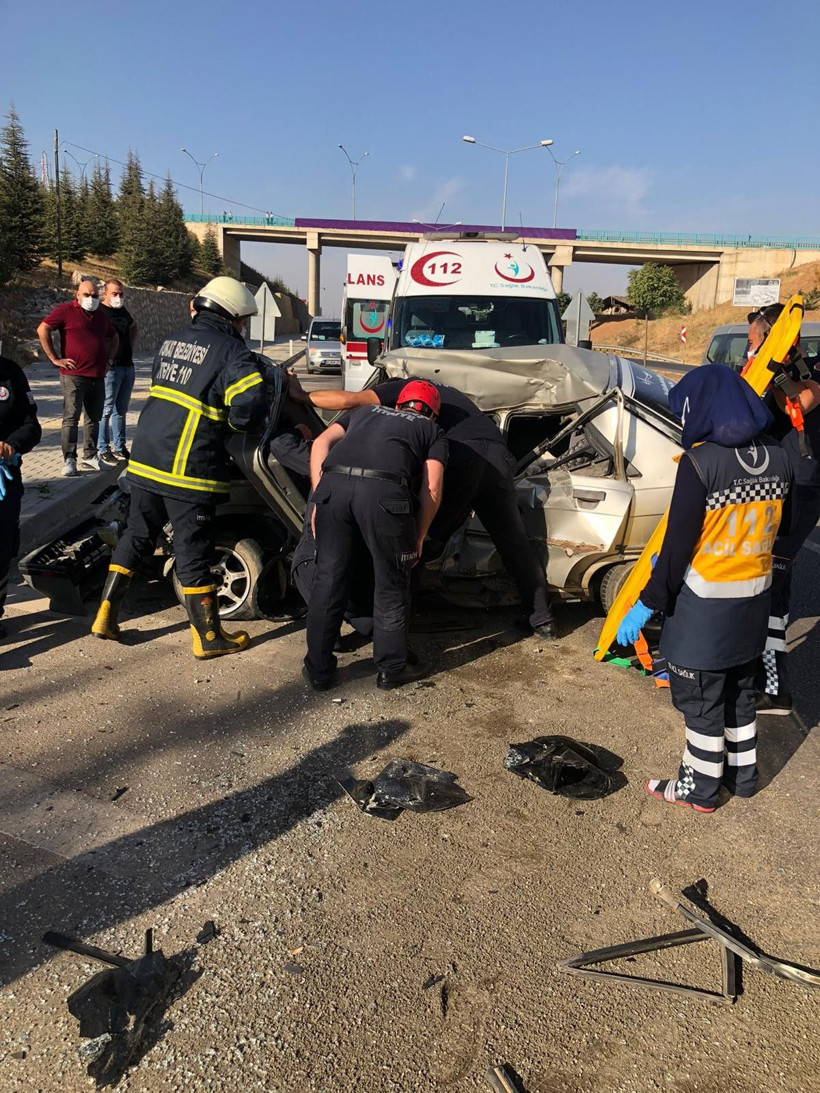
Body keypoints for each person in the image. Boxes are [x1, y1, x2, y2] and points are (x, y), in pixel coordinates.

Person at [616, 365, 792, 813]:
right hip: (754, 601)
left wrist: (647, 602)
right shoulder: (779, 457)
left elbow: (676, 551)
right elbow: (782, 533)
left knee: (701, 704)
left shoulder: (700, 464)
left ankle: (700, 789)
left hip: (704, 610)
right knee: (739, 693)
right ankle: (744, 778)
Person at [290, 375, 556, 640]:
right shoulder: (448, 393)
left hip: (462, 458)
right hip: (498, 458)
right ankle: (542, 619)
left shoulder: (402, 389)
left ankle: (391, 630)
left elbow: (349, 400)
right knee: (513, 541)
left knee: (416, 542)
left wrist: (302, 397)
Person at [91, 276, 269, 658]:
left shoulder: (173, 340)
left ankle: (105, 615)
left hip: (147, 456)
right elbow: (251, 402)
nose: (242, 328)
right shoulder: (231, 351)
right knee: (193, 549)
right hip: (188, 465)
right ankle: (208, 638)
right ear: (231, 315)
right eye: (242, 321)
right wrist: (235, 426)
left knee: (138, 535)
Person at [303, 380, 448, 691]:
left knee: (328, 579)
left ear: (398, 403)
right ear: (433, 413)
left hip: (333, 489)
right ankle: (392, 668)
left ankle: (318, 669)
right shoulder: (431, 431)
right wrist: (418, 536)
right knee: (391, 584)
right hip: (385, 495)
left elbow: (320, 443)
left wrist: (318, 497)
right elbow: (432, 487)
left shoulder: (365, 411)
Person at [746, 303, 820, 714]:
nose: (750, 351)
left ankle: (771, 687)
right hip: (780, 485)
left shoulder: (806, 373)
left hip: (799, 490)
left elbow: (803, 403)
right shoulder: (768, 372)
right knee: (777, 587)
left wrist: (774, 375)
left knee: (769, 587)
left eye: (755, 342)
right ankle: (770, 682)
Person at [37, 279, 118, 477]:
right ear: (78, 295)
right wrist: (55, 358)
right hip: (73, 376)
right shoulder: (66, 311)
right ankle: (69, 459)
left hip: (97, 375)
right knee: (71, 419)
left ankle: (90, 455)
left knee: (94, 419)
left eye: (94, 296)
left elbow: (113, 337)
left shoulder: (100, 317)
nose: (91, 299)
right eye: (87, 295)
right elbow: (43, 328)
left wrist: (109, 361)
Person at [0, 321, 42, 638]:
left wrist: (12, 444)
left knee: (3, 546)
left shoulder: (10, 373)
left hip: (3, 477)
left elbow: (31, 424)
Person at [98, 280, 138, 465]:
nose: (118, 297)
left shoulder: (123, 312)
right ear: (105, 294)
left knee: (120, 411)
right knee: (105, 410)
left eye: (121, 294)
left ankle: (120, 447)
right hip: (111, 369)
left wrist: (129, 344)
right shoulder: (100, 313)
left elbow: (133, 326)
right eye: (115, 293)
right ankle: (103, 448)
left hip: (127, 366)